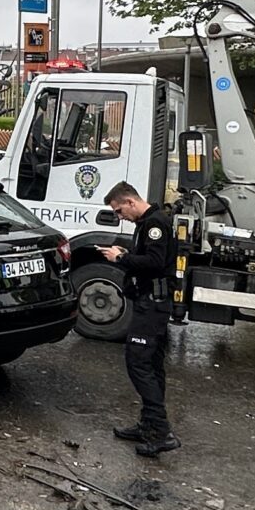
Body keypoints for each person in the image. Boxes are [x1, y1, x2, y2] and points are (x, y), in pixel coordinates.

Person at [96, 182, 177, 456]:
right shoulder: (146, 223)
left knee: (139, 362)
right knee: (151, 364)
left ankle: (161, 431)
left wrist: (122, 258)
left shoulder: (155, 224)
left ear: (130, 202)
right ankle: (148, 425)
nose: (120, 217)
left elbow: (154, 262)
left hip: (153, 306)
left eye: (120, 211)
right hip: (150, 303)